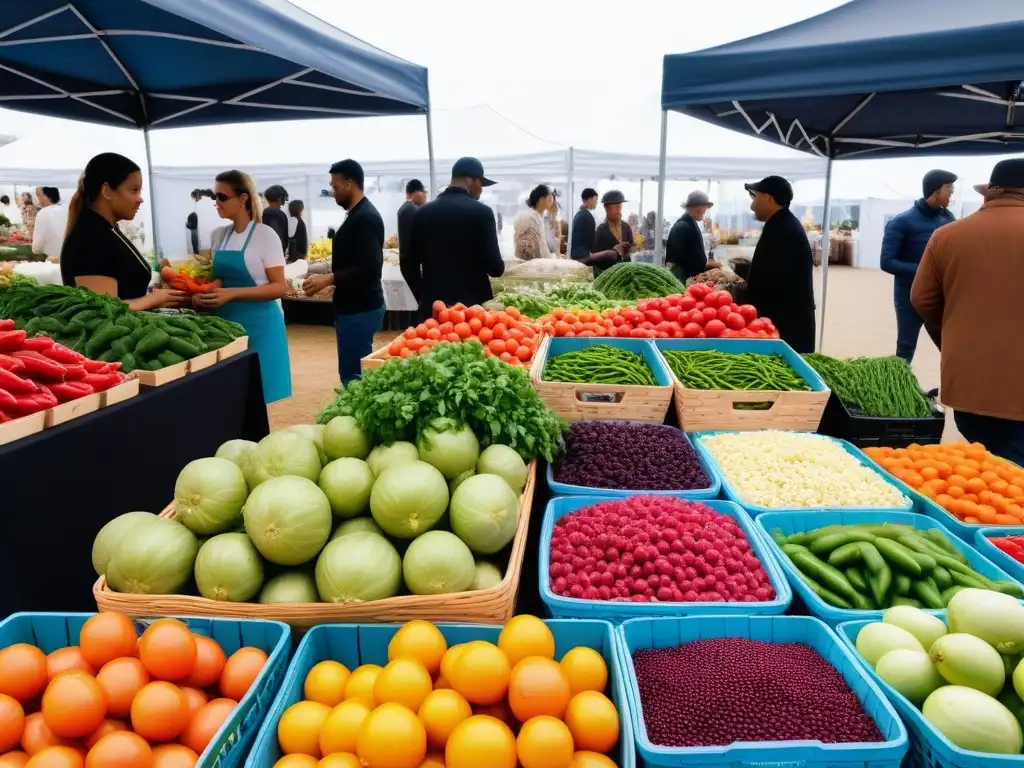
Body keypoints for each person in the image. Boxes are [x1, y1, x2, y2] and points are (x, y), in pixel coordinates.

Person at [911, 159, 1024, 465]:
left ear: (989, 194)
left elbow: (922, 299)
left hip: (969, 388)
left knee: (989, 482)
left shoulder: (947, 235)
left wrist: (956, 333)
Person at [200, 170, 290, 403]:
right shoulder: (219, 236)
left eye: (222, 197)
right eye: (214, 197)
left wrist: (232, 294)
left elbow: (279, 287)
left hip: (260, 325)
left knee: (257, 395)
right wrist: (202, 292)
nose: (216, 203)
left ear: (243, 198)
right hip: (224, 327)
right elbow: (219, 278)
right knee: (228, 396)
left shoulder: (264, 235)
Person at [61, 153, 185, 309]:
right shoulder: (91, 239)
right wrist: (153, 299)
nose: (140, 198)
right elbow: (100, 310)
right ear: (106, 191)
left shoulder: (106, 229)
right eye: (134, 190)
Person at [302, 160, 385, 385]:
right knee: (352, 370)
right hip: (354, 306)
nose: (333, 192)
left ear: (350, 184)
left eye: (335, 186)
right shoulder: (356, 214)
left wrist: (329, 278)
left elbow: (371, 268)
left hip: (360, 308)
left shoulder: (365, 217)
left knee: (354, 375)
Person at [404, 157, 504, 318]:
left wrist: (424, 296)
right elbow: (496, 268)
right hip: (472, 313)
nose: (481, 189)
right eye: (481, 183)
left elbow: (408, 263)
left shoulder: (423, 213)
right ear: (470, 180)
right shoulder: (482, 213)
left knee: (435, 344)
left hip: (434, 311)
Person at [881, 169, 957, 363]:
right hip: (909, 298)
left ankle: (954, 391)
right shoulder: (901, 222)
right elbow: (887, 262)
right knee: (906, 348)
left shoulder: (948, 219)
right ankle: (899, 393)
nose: (952, 193)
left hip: (939, 297)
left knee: (950, 345)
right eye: (949, 189)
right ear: (936, 191)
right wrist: (926, 272)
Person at [743, 176, 815, 353]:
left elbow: (768, 279)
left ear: (768, 197)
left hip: (787, 324)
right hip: (786, 318)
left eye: (754, 197)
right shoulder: (780, 224)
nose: (752, 206)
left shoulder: (783, 229)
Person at [666, 191, 720, 282]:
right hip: (683, 275)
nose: (705, 210)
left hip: (687, 273)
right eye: (703, 206)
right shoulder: (684, 226)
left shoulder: (689, 222)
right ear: (696, 207)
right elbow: (688, 257)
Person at [586, 190, 633, 275]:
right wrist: (612, 253)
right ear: (606, 209)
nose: (619, 209)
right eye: (615, 206)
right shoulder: (601, 230)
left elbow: (632, 248)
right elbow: (595, 259)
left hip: (626, 274)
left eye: (620, 206)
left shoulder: (626, 227)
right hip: (608, 276)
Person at [397, 179, 426, 290]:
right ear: (410, 194)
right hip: (411, 261)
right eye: (422, 193)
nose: (424, 197)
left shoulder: (406, 208)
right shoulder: (412, 209)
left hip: (407, 260)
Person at [513, 184, 554, 261]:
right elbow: (540, 246)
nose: (552, 202)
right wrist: (551, 260)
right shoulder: (533, 217)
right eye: (550, 199)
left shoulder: (530, 215)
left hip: (523, 262)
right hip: (531, 264)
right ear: (542, 199)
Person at [31, 186, 67, 261]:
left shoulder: (43, 212)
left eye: (39, 195)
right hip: (69, 254)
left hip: (53, 257)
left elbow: (38, 243)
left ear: (46, 196)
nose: (38, 198)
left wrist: (35, 250)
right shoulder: (65, 210)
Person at [570, 188, 599, 260]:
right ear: (588, 199)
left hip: (575, 254)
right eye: (595, 200)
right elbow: (591, 239)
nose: (596, 203)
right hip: (583, 255)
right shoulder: (587, 216)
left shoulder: (578, 214)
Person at [262, 184, 290, 258]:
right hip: (275, 257)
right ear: (280, 198)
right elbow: (277, 235)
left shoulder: (263, 212)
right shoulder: (277, 214)